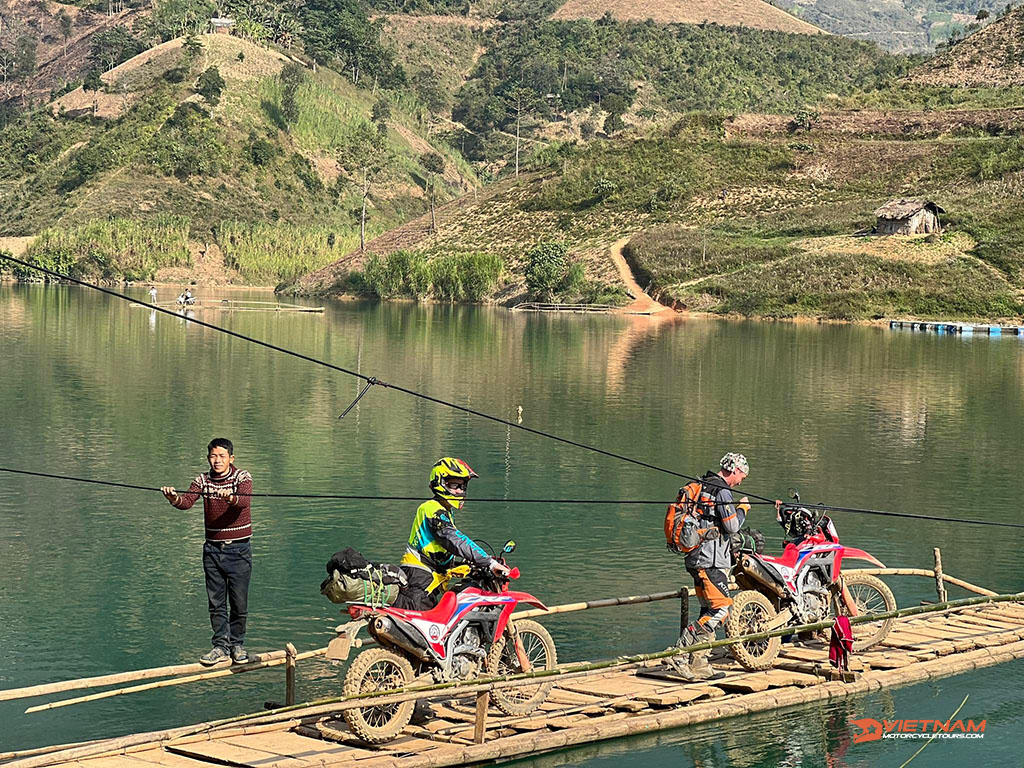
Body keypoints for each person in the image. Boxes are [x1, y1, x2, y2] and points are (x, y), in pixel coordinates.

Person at [161, 438, 254, 666]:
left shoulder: (242, 477)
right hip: (212, 550)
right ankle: (220, 646)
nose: (217, 460)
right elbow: (186, 501)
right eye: (213, 456)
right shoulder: (202, 480)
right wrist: (173, 497)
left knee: (239, 602)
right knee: (216, 602)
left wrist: (230, 498)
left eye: (222, 456)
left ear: (231, 458)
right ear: (208, 458)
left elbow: (243, 501)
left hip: (239, 549)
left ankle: (237, 645)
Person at [668, 452, 751, 681]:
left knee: (708, 610)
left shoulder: (703, 485)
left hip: (696, 557)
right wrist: (743, 509)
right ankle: (679, 654)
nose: (742, 481)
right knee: (721, 609)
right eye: (742, 476)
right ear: (734, 469)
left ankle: (700, 664)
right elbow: (732, 526)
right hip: (710, 560)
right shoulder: (722, 491)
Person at [394, 457, 509, 611]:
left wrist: (464, 565)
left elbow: (439, 549)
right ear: (440, 483)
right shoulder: (431, 509)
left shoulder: (445, 511)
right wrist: (488, 562)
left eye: (462, 486)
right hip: (420, 579)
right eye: (455, 485)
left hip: (427, 578)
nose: (460, 491)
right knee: (424, 630)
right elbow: (453, 540)